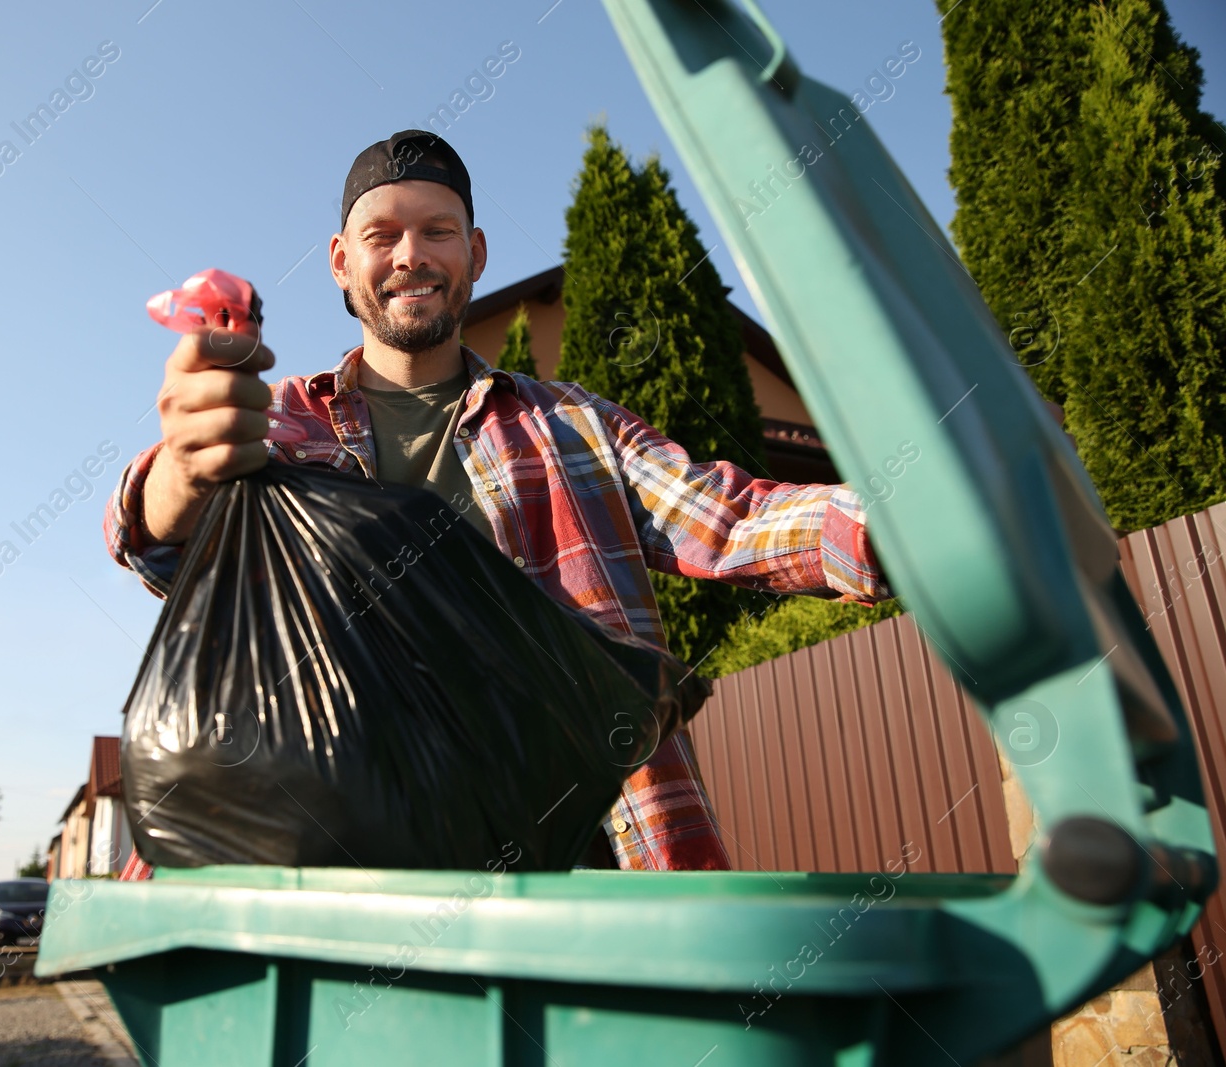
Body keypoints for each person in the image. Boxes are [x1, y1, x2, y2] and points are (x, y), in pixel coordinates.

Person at [104, 129, 889, 872]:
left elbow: (733, 518)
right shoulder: (275, 427)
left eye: (438, 231)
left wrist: (905, 521)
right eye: (382, 235)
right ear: (342, 262)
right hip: (322, 869)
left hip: (574, 871)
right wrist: (187, 465)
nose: (410, 255)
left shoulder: (575, 430)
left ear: (475, 253)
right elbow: (148, 538)